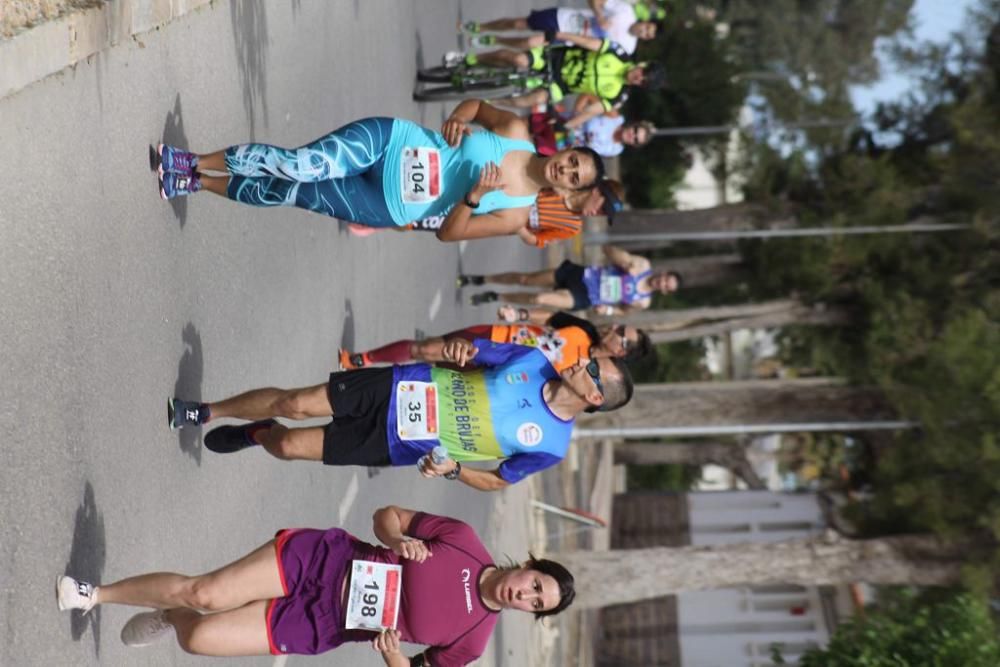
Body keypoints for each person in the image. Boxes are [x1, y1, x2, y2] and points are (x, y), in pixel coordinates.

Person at [56, 505, 575, 664]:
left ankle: (170, 619)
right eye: (536, 584)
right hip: (324, 562)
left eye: (535, 604)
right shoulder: (462, 540)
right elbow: (386, 515)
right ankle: (94, 595)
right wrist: (397, 539)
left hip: (323, 623)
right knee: (205, 593)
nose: (525, 594)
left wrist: (396, 659)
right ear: (530, 565)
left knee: (198, 639)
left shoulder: (473, 639)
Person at [166, 339, 634, 491]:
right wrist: (453, 349)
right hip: (401, 387)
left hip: (399, 443)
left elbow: (499, 480)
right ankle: (207, 410)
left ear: (595, 398)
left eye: (593, 367)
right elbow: (470, 350)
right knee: (295, 403)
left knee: (288, 444)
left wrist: (454, 471)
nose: (584, 358)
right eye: (592, 355)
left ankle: (260, 434)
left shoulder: (550, 446)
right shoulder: (532, 360)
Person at [152, 99, 604, 242]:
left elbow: (450, 234)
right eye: (574, 160)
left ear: (569, 190)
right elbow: (472, 107)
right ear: (568, 150)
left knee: (286, 193)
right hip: (393, 142)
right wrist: (459, 120)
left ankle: (197, 183)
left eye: (575, 177)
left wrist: (472, 198)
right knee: (298, 165)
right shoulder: (515, 128)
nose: (567, 169)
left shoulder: (516, 213)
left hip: (385, 204)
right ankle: (189, 160)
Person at [338, 306, 652, 372]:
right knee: (427, 349)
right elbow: (550, 318)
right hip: (492, 336)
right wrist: (520, 315)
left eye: (622, 336)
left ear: (621, 352)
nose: (616, 330)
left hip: (496, 368)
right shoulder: (583, 328)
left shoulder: (586, 372)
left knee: (433, 371)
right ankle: (361, 360)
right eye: (622, 327)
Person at [447, 36, 666, 129]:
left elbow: (590, 112)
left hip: (562, 85)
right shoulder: (619, 53)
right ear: (642, 65)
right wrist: (560, 34)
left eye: (642, 82)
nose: (638, 78)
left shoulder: (620, 95)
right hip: (557, 57)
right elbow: (586, 41)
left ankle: (488, 101)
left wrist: (568, 125)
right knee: (518, 59)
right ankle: (470, 59)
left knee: (530, 100)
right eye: (642, 74)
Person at [403, 178, 625, 248]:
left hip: (492, 222)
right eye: (602, 207)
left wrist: (519, 223)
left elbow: (536, 240)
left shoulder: (572, 226)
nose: (598, 213)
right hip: (489, 195)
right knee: (431, 197)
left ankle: (381, 221)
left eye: (603, 214)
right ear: (597, 190)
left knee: (417, 221)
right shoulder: (563, 181)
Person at [463, 245, 682, 315]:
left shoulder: (643, 301)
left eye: (666, 287)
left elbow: (624, 310)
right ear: (663, 275)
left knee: (541, 298)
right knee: (525, 279)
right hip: (581, 275)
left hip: (586, 296)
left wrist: (607, 311)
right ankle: (484, 279)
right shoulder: (642, 265)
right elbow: (608, 249)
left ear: (664, 292)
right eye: (665, 280)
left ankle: (497, 295)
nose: (662, 284)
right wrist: (624, 261)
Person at [461, 1, 659, 55]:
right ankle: (482, 27)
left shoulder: (628, 46)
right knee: (519, 23)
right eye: (647, 28)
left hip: (569, 40)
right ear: (645, 22)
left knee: (528, 43)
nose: (644, 32)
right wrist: (599, 15)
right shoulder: (626, 11)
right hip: (565, 18)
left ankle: (496, 40)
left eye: (648, 35)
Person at [581, 116, 654, 157]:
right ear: (633, 125)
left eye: (635, 139)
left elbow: (589, 153)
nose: (632, 135)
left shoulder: (616, 150)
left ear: (634, 145)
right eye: (635, 130)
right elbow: (588, 97)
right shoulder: (616, 118)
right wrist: (577, 112)